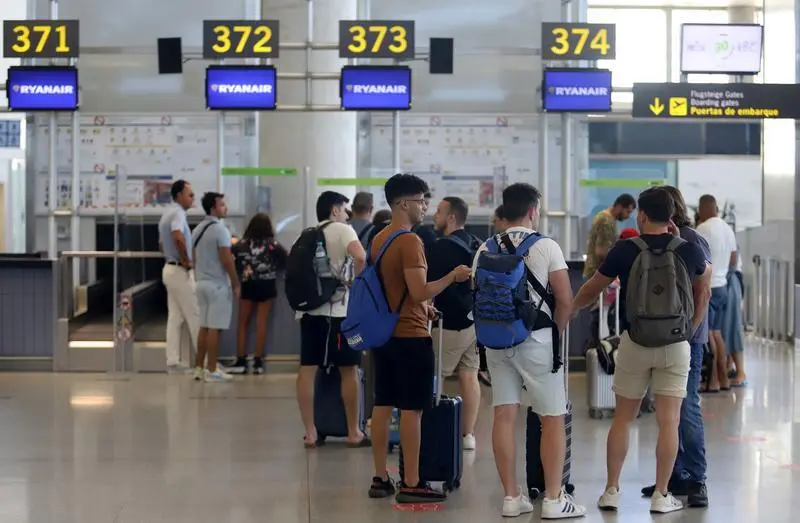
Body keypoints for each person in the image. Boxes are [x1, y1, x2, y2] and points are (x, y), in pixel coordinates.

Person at [572, 187, 708, 514]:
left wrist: (571, 308)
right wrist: (689, 331)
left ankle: (611, 491)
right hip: (676, 343)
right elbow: (704, 291)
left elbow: (593, 287)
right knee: (669, 421)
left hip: (635, 342)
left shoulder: (625, 249)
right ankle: (662, 494)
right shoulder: (689, 250)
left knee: (622, 418)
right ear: (671, 216)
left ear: (642, 215)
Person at [472, 183, 585, 519]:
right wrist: (557, 332)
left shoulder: (485, 248)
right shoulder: (546, 246)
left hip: (497, 340)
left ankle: (511, 497)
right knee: (552, 417)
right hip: (538, 341)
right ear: (534, 210)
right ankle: (553, 499)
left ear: (504, 210)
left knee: (504, 415)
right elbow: (565, 299)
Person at [367, 173, 470, 504]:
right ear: (402, 203)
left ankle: (380, 478)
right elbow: (419, 290)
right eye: (421, 200)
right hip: (410, 337)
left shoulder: (379, 238)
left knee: (382, 405)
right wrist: (452, 277)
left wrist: (425, 307)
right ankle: (412, 482)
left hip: (384, 334)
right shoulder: (410, 242)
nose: (425, 207)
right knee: (412, 410)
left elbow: (395, 288)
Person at [638, 186, 712, 508]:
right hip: (664, 336)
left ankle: (696, 478)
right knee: (670, 410)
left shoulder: (691, 240)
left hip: (687, 339)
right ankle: (674, 475)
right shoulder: (659, 240)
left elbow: (703, 292)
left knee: (687, 407)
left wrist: (690, 331)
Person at [297, 191, 368, 448]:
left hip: (310, 312)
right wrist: (356, 285)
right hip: (338, 314)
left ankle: (310, 433)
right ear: (334, 210)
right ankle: (353, 432)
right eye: (344, 209)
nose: (347, 214)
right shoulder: (343, 230)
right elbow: (360, 256)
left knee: (307, 369)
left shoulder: (307, 234)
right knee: (349, 370)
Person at [428, 196, 482, 451]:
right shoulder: (476, 243)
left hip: (447, 323)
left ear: (451, 217)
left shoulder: (440, 248)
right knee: (469, 376)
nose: (434, 215)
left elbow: (427, 286)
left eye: (439, 211)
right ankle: (467, 435)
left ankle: (433, 430)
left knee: (434, 376)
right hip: (474, 322)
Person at [229, 213, 287, 375]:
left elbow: (232, 260)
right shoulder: (273, 245)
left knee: (243, 323)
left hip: (248, 284)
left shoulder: (241, 245)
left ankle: (241, 361)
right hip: (267, 285)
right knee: (261, 323)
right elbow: (285, 261)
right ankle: (258, 362)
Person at [192, 192, 239, 382]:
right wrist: (235, 282)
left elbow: (194, 256)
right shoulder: (220, 230)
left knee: (204, 327)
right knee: (215, 328)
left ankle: (199, 368)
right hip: (217, 285)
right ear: (213, 208)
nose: (225, 208)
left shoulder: (197, 229)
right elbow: (226, 259)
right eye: (222, 205)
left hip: (200, 282)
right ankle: (212, 370)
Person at [696, 194, 737, 392]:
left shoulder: (702, 229)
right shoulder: (728, 229)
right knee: (718, 334)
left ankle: (713, 381)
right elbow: (733, 260)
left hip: (709, 287)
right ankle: (724, 379)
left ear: (703, 208)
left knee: (708, 334)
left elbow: (696, 259)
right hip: (723, 287)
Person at [158, 179, 199, 374]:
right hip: (179, 270)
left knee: (175, 318)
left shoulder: (166, 213)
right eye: (190, 195)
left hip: (169, 268)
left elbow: (161, 245)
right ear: (179, 195)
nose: (193, 198)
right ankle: (206, 362)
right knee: (194, 314)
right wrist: (186, 260)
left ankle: (172, 360)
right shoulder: (178, 214)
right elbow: (177, 235)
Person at [583, 194, 637, 280]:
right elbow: (601, 252)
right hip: (596, 274)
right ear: (619, 207)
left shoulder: (606, 218)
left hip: (596, 273)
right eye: (628, 212)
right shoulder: (606, 221)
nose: (628, 216)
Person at [723, 247, 747, 386]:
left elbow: (734, 263)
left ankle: (740, 371)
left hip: (731, 283)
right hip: (728, 282)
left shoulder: (731, 243)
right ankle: (728, 368)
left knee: (732, 329)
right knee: (726, 330)